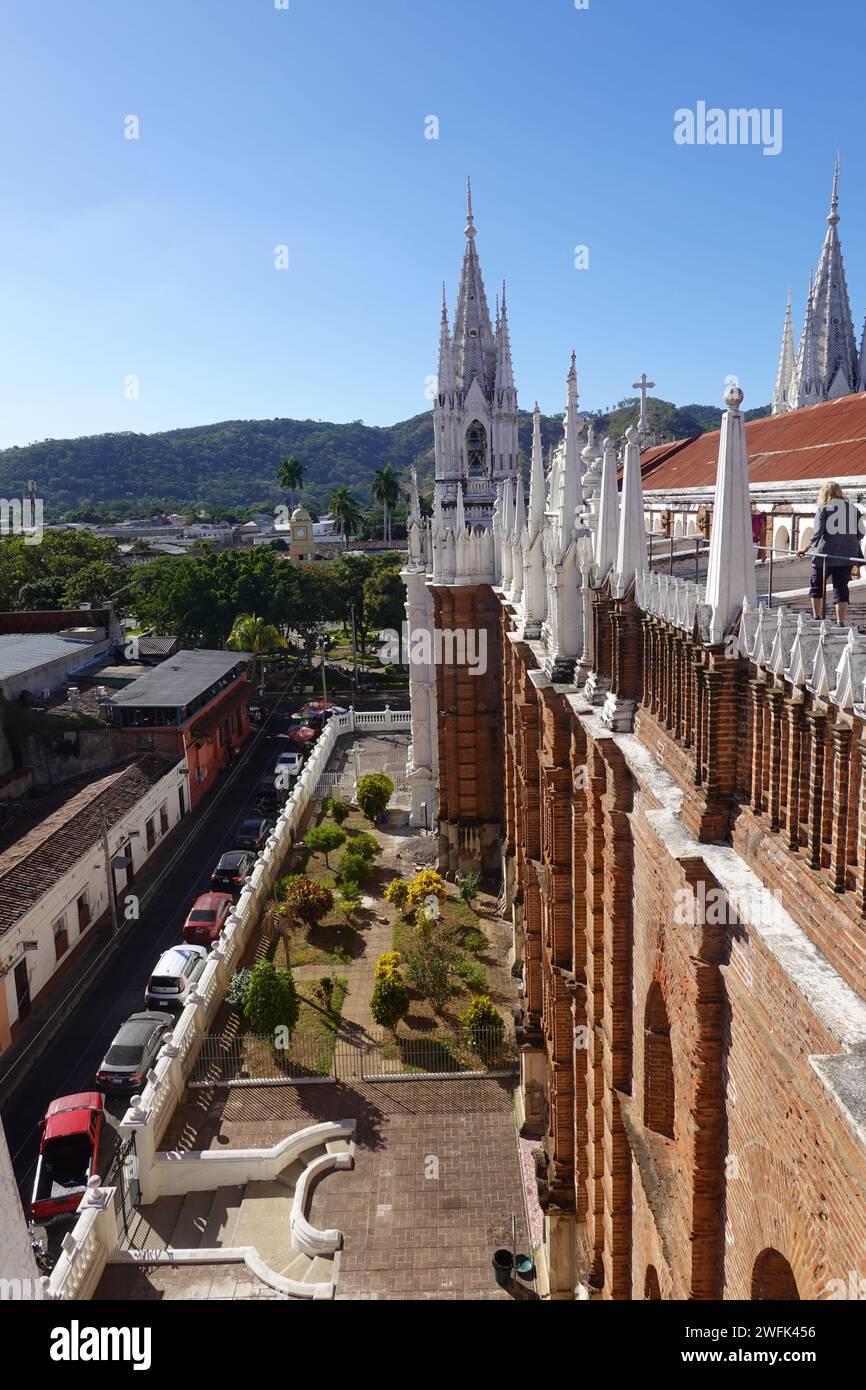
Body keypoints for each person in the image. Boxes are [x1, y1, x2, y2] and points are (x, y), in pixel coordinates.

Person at [796, 481, 864, 623]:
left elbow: (817, 533)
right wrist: (848, 540)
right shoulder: (853, 509)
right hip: (846, 557)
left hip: (825, 556)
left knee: (816, 585)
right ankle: (840, 622)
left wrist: (805, 548)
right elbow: (862, 533)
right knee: (841, 588)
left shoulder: (824, 510)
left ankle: (817, 617)